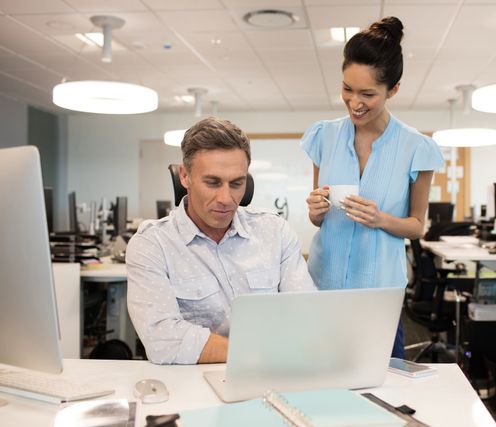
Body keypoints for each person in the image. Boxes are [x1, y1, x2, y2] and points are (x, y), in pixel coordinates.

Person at [301, 17, 445, 359]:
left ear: (393, 90)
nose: (354, 102)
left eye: (368, 93)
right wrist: (315, 211)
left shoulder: (416, 147)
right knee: (319, 381)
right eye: (347, 89)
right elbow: (318, 220)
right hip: (323, 285)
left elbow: (416, 226)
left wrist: (380, 219)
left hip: (379, 294)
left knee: (383, 392)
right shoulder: (324, 136)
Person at [127, 117, 315, 365]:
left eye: (237, 184)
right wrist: (257, 354)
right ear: (185, 176)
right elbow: (162, 339)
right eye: (212, 182)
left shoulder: (275, 232)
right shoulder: (153, 244)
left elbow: (305, 315)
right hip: (193, 386)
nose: (226, 198)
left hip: (271, 376)